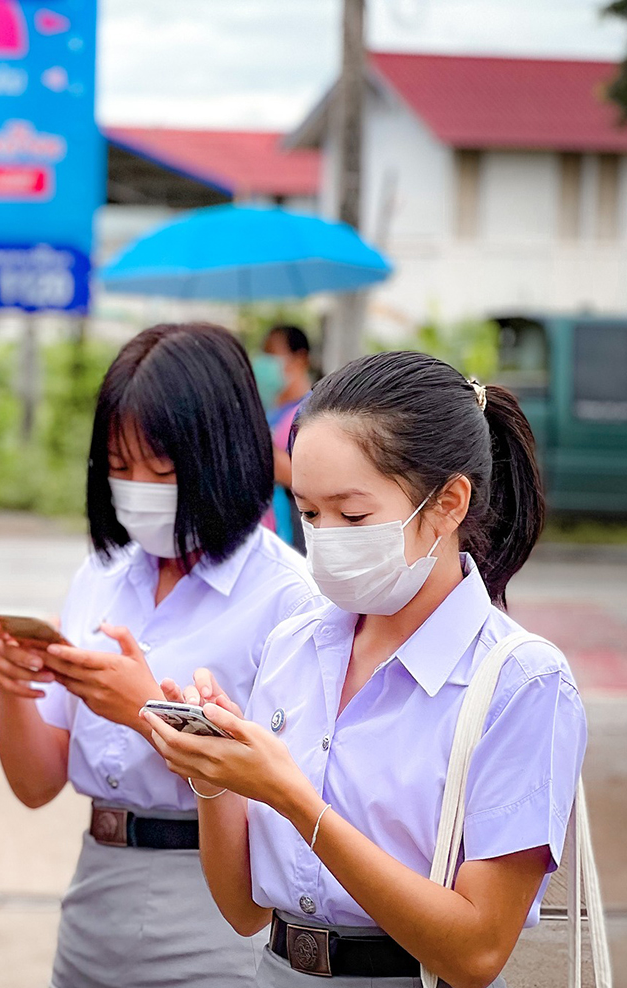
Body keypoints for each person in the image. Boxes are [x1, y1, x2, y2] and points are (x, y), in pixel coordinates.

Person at [143, 351, 588, 986]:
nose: (325, 538)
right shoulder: (295, 643)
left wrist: (292, 799)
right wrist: (217, 776)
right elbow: (243, 910)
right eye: (309, 514)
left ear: (448, 503)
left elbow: (476, 953)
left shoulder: (522, 684)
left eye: (352, 516)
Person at [0, 323, 319, 988]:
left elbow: (287, 792)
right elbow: (35, 784)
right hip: (97, 884)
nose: (138, 486)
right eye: (118, 467)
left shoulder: (289, 598)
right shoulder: (104, 575)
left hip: (217, 899)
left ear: (221, 455)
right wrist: (14, 688)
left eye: (161, 469)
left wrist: (147, 710)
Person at [255, 325, 312, 551]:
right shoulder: (272, 411)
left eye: (272, 353)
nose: (264, 362)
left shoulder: (311, 412)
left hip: (294, 536)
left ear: (299, 359)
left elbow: (308, 477)